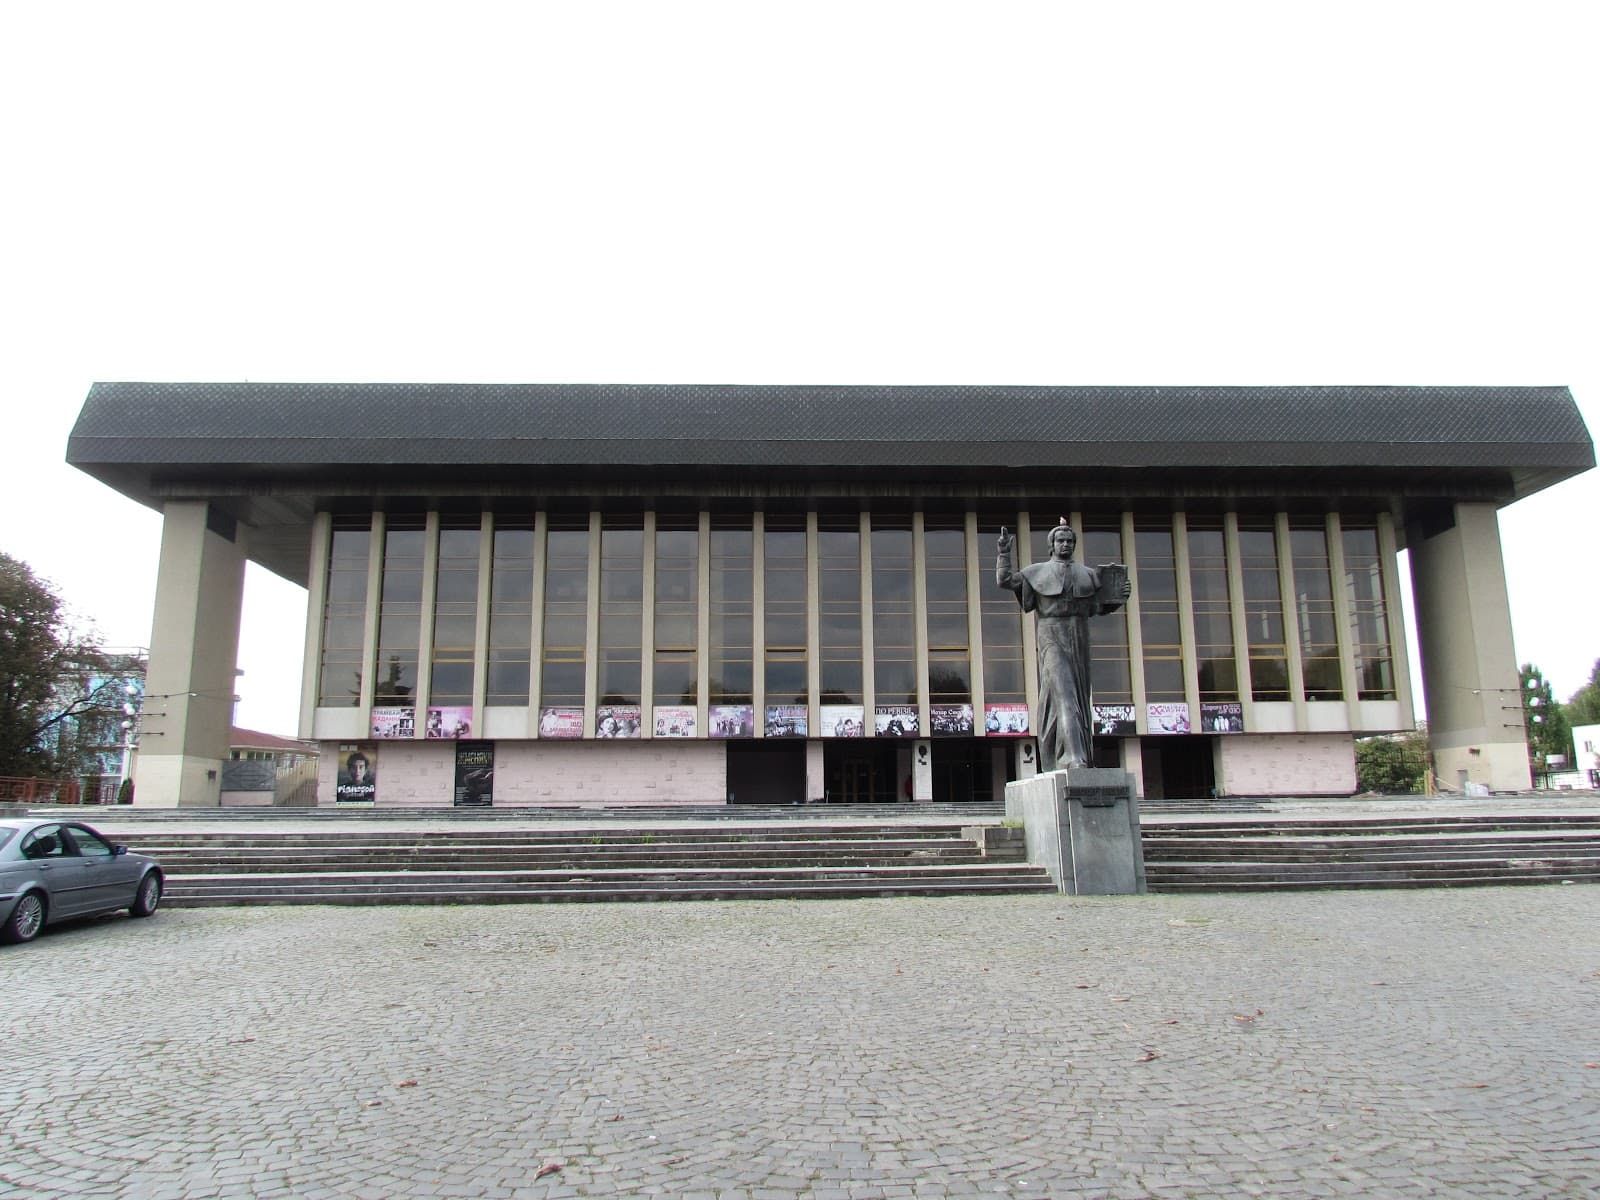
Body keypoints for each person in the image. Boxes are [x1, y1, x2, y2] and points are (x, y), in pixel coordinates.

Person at [997, 521, 1130, 772]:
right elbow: (1005, 580)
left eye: (1069, 540)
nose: (1065, 544)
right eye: (1061, 540)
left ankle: (1071, 756)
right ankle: (1074, 757)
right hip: (1050, 634)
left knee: (1078, 698)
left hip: (1078, 635)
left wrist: (1119, 597)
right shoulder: (1037, 572)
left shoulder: (1088, 575)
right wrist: (1004, 553)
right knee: (1065, 694)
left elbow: (1097, 607)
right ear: (1051, 545)